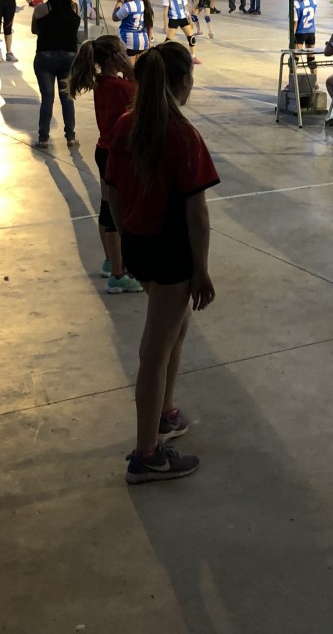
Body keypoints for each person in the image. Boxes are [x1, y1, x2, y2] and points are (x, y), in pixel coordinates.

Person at [104, 43, 218, 483]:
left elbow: (111, 191)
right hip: (171, 253)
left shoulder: (125, 125)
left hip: (139, 246)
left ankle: (166, 413)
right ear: (183, 82)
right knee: (154, 351)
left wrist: (128, 235)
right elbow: (197, 213)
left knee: (176, 327)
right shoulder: (182, 135)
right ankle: (146, 455)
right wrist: (201, 270)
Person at [68, 35, 143, 294]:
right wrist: (132, 73)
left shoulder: (102, 82)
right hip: (119, 153)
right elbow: (143, 99)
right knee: (116, 212)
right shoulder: (121, 86)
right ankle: (118, 275)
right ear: (114, 58)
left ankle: (112, 260)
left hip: (105, 149)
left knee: (106, 205)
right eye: (123, 52)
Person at [31, 0, 82, 148]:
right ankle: (71, 137)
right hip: (69, 56)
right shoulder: (74, 8)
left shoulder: (41, 9)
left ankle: (43, 138)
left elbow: (34, 30)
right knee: (67, 97)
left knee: (47, 98)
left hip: (46, 55)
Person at [162, 0, 202, 65]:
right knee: (168, 41)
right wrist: (165, 25)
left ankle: (193, 57)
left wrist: (190, 20)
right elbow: (165, 12)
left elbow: (186, 8)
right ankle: (162, 56)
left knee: (191, 38)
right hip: (174, 19)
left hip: (183, 18)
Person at [292, 0, 319, 77]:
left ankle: (293, 81)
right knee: (311, 58)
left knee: (294, 59)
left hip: (300, 33)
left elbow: (295, 22)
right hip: (311, 32)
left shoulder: (295, 3)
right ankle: (314, 81)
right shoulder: (313, 1)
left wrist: (292, 36)